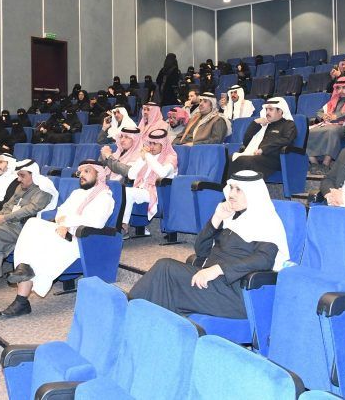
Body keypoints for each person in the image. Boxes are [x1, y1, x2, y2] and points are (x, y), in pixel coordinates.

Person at [128, 170, 289, 319]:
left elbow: (264, 260)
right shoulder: (232, 217)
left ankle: (126, 311)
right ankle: (141, 323)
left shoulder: (267, 221)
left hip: (235, 293)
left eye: (238, 190)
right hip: (211, 282)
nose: (231, 194)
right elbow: (201, 250)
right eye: (231, 188)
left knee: (165, 269)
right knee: (164, 287)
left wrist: (218, 269)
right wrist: (216, 219)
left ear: (253, 194)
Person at [0, 160, 116, 317]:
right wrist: (62, 223)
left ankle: (22, 299)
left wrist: (66, 224)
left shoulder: (105, 198)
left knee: (38, 251)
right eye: (81, 172)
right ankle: (23, 269)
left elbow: (95, 222)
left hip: (83, 240)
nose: (81, 175)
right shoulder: (77, 193)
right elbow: (61, 211)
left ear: (99, 174)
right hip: (63, 231)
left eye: (87, 171)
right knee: (33, 223)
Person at [0, 160, 58, 286]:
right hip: (5, 224)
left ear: (33, 174)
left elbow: (30, 209)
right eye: (18, 175)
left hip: (22, 228)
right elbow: (7, 205)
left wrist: (3, 218)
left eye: (22, 176)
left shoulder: (43, 190)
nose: (19, 179)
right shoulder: (20, 187)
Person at [122, 129, 178, 236]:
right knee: (121, 191)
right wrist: (142, 159)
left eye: (155, 144)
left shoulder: (171, 157)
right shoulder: (150, 156)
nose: (151, 146)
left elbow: (162, 173)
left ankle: (124, 226)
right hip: (143, 190)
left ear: (163, 144)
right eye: (150, 143)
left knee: (128, 192)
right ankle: (120, 225)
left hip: (159, 193)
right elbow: (131, 175)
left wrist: (147, 156)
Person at [308, 76, 345, 169]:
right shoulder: (334, 100)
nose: (341, 91)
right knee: (307, 132)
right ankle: (314, 163)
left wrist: (337, 116)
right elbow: (319, 112)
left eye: (344, 88)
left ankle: (326, 164)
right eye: (338, 88)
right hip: (328, 124)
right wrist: (323, 116)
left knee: (332, 131)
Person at [229, 98, 297, 177]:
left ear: (280, 111)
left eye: (271, 109)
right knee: (230, 158)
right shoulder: (264, 125)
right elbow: (246, 141)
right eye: (266, 110)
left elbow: (286, 140)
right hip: (259, 157)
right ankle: (231, 184)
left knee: (246, 160)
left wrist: (264, 149)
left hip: (275, 159)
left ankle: (241, 184)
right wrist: (255, 123)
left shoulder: (288, 124)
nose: (267, 112)